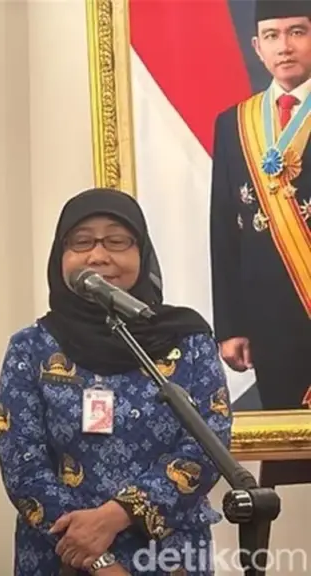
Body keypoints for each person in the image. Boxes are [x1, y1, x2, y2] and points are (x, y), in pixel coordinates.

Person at [0, 188, 232, 575]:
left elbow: (209, 443)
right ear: (60, 256)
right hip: (63, 555)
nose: (98, 256)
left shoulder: (187, 339)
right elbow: (23, 465)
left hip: (169, 553)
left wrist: (117, 515)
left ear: (142, 252)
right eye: (81, 241)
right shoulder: (31, 347)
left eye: (117, 241)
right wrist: (99, 561)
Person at [210, 0, 311, 486]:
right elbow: (223, 229)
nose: (284, 46)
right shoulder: (234, 123)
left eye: (297, 32)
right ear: (256, 47)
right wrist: (230, 326)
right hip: (269, 320)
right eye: (272, 35)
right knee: (285, 456)